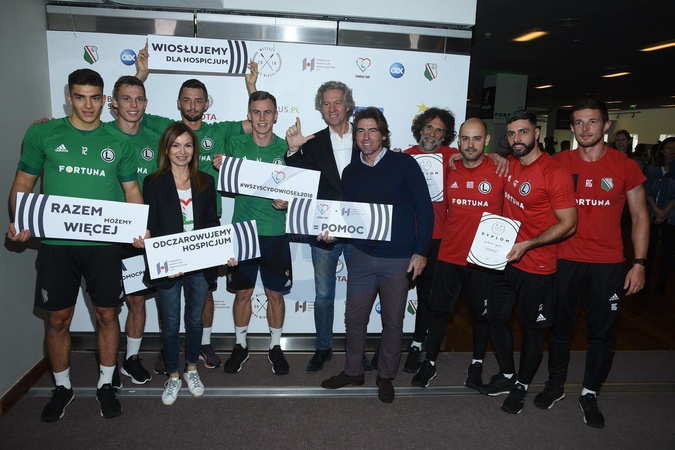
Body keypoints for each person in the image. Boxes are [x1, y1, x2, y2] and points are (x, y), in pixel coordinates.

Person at [7, 68, 142, 421]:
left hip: (104, 246)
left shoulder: (118, 142)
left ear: (104, 100)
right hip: (57, 245)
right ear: (69, 96)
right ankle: (62, 387)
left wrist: (138, 227)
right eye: (80, 97)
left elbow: (131, 191)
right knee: (57, 320)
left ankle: (106, 384)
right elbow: (23, 184)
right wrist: (21, 220)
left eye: (95, 98)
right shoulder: (43, 133)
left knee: (108, 315)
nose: (88, 105)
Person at [136, 47, 258, 370]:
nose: (192, 106)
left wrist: (251, 86)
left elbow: (258, 121)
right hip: (170, 228)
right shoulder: (167, 128)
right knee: (169, 297)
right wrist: (141, 76)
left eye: (198, 101)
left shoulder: (219, 130)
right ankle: (169, 351)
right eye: (187, 100)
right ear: (179, 103)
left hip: (206, 224)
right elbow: (132, 112)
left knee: (202, 294)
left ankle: (201, 343)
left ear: (207, 104)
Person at [535, 99, 650, 428]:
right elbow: (519, 166)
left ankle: (589, 393)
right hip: (564, 259)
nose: (585, 129)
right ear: (572, 127)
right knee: (559, 329)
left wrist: (639, 263)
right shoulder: (557, 162)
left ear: (606, 125)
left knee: (602, 333)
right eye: (579, 123)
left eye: (593, 122)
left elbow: (640, 216)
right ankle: (555, 384)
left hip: (607, 263)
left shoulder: (625, 166)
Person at [320, 107, 433, 403]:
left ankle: (385, 376)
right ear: (355, 136)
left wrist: (421, 252)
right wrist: (332, 230)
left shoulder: (404, 164)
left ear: (383, 134)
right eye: (360, 130)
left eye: (372, 130)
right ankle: (353, 371)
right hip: (360, 256)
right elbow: (346, 215)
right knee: (354, 319)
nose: (366, 136)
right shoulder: (351, 171)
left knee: (393, 322)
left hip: (398, 259)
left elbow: (424, 208)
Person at [479, 110, 577, 415]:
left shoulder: (553, 172)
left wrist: (529, 244)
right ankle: (508, 373)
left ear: (536, 133)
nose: (516, 139)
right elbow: (477, 157)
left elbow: (569, 224)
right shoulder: (510, 163)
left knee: (531, 330)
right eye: (511, 134)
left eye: (523, 132)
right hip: (505, 260)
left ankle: (521, 385)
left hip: (537, 265)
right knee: (496, 317)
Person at [133, 122, 236, 405]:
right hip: (167, 264)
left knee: (194, 319)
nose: (182, 151)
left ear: (194, 150)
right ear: (166, 149)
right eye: (176, 145)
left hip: (199, 264)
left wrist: (223, 251)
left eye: (188, 145)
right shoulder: (153, 182)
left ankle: (191, 369)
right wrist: (150, 244)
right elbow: (152, 224)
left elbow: (212, 222)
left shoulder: (206, 181)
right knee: (169, 323)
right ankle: (173, 375)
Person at [284, 81, 371, 374]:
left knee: (360, 296)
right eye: (326, 104)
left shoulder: (365, 138)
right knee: (323, 296)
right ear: (320, 109)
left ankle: (357, 350)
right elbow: (297, 180)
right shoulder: (313, 142)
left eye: (337, 102)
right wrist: (293, 150)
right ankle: (323, 348)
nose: (332, 108)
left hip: (360, 232)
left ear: (348, 106)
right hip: (324, 233)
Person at [411, 118, 503, 389]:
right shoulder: (448, 167)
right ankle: (430, 363)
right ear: (458, 141)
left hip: (482, 259)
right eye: (465, 139)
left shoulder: (501, 170)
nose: (470, 144)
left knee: (480, 316)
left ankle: (477, 363)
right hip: (449, 255)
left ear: (486, 140)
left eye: (477, 138)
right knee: (438, 310)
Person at [214, 91, 293, 375]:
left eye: (267, 112)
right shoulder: (235, 145)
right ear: (249, 115)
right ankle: (240, 345)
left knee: (275, 294)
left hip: (275, 232)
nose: (262, 118)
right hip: (242, 232)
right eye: (256, 112)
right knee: (243, 293)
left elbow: (299, 192)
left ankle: (275, 346)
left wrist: (288, 202)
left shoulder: (287, 150)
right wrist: (221, 166)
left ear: (275, 115)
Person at [108, 75, 160, 385]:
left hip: (140, 237)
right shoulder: (101, 135)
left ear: (146, 104)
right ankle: (108, 364)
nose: (133, 104)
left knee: (137, 301)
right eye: (126, 98)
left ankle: (131, 359)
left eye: (139, 99)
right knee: (107, 306)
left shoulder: (155, 140)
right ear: (114, 103)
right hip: (103, 235)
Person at [645, 137, 675, 293]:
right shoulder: (652, 169)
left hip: (672, 216)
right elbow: (647, 191)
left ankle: (661, 284)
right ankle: (644, 281)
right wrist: (656, 210)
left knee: (668, 252)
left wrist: (665, 212)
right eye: (668, 147)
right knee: (649, 250)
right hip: (652, 213)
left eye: (674, 148)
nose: (672, 151)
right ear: (662, 150)